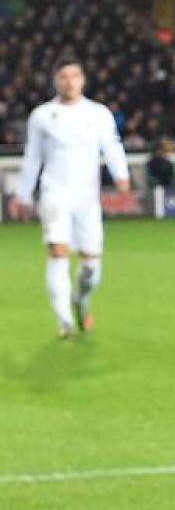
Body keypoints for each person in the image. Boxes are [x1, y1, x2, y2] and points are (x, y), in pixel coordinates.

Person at [8, 57, 131, 338]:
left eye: (74, 76)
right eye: (63, 76)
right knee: (58, 252)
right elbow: (33, 157)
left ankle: (81, 301)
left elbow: (112, 146)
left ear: (83, 80)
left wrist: (121, 175)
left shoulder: (98, 113)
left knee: (90, 263)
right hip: (54, 192)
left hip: (87, 197)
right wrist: (23, 194)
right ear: (55, 80)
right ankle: (64, 320)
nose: (69, 81)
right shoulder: (42, 115)